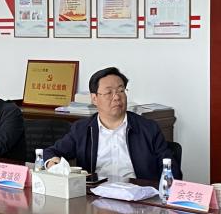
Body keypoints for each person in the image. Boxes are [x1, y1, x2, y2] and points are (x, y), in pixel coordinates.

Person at [43, 66, 179, 182]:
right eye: (109, 92)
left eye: (121, 91)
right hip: (96, 195)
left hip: (139, 196)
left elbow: (171, 169)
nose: (117, 97)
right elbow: (51, 152)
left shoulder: (148, 128)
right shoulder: (82, 129)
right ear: (94, 98)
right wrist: (52, 162)